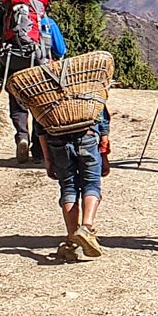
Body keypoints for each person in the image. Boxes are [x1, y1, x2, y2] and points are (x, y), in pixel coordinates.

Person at [0, 0, 67, 164]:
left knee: (18, 105)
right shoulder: (47, 23)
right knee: (39, 106)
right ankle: (38, 150)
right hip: (40, 66)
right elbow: (60, 50)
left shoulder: (9, 22)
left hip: (13, 64)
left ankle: (22, 136)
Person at [45, 106, 109, 262]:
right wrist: (104, 149)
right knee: (92, 184)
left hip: (57, 137)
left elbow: (40, 126)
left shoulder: (47, 89)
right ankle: (86, 228)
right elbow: (102, 116)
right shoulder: (86, 83)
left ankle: (72, 241)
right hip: (87, 134)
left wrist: (48, 160)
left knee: (68, 187)